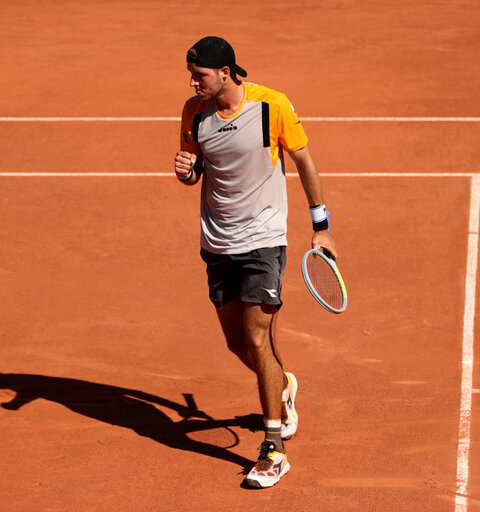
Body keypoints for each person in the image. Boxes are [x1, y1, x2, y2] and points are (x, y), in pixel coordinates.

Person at [173, 36, 338, 489]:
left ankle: (272, 448)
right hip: (217, 242)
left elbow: (303, 159)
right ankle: (283, 386)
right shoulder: (194, 111)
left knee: (257, 337)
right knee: (237, 345)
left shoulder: (272, 106)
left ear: (225, 72)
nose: (193, 82)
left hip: (264, 239)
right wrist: (187, 169)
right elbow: (196, 168)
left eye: (200, 74)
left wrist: (320, 225)